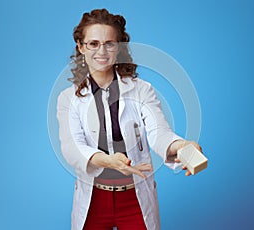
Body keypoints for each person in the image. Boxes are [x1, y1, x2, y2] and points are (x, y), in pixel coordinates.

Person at [57, 8, 202, 230]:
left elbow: (158, 133)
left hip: (134, 199)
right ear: (81, 47)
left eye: (109, 43)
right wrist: (106, 160)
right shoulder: (69, 98)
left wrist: (180, 146)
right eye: (93, 43)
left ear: (119, 48)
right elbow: (72, 147)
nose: (101, 51)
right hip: (94, 200)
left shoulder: (141, 90)